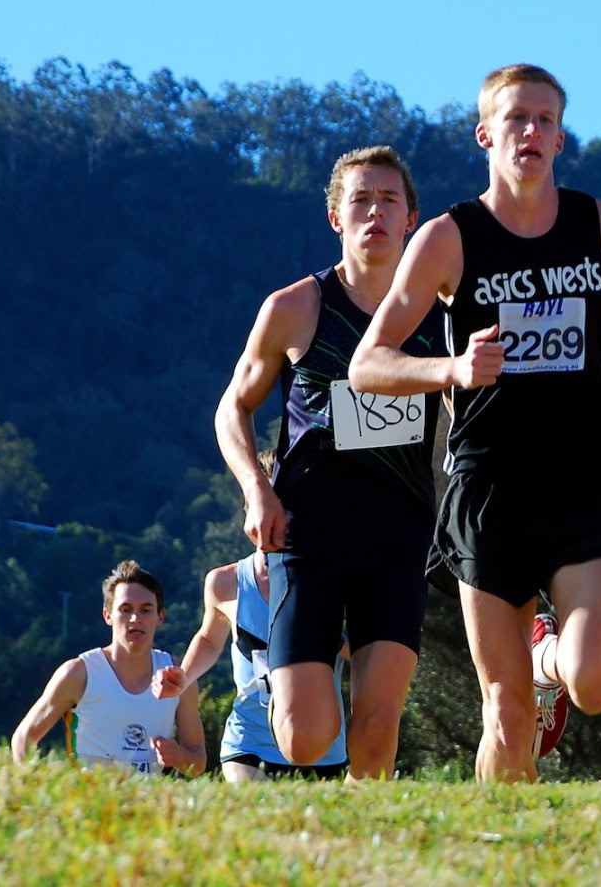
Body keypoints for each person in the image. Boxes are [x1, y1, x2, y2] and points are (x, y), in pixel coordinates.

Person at [349, 64, 601, 782]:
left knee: (597, 682)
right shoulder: (449, 237)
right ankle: (504, 850)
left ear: (559, 139)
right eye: (517, 119)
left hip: (582, 479)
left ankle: (546, 656)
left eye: (546, 121)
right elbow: (369, 365)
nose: (532, 131)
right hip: (488, 488)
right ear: (486, 135)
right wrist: (453, 370)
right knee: (507, 712)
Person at [213, 145, 442, 780]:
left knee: (377, 723)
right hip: (307, 537)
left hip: (398, 535)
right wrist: (257, 492)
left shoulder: (438, 316)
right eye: (360, 200)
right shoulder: (295, 308)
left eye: (389, 200)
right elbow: (232, 410)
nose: (376, 212)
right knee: (306, 739)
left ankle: (365, 849)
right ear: (336, 218)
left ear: (412, 218)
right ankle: (299, 671)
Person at [151, 550, 348, 781]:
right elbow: (210, 639)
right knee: (258, 811)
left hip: (321, 746)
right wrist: (184, 675)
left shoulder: (332, 579)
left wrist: (324, 635)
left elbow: (366, 650)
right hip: (249, 741)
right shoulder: (226, 582)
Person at [12, 560, 206, 777]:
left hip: (149, 806)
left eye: (146, 610)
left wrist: (179, 756)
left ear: (160, 616)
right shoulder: (79, 674)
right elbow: (23, 738)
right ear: (108, 616)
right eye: (125, 609)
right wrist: (32, 781)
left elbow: (198, 761)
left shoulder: (177, 677)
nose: (135, 619)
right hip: (88, 802)